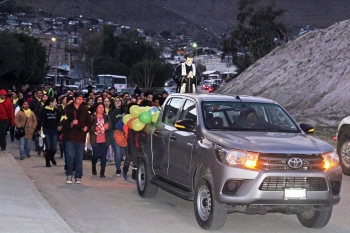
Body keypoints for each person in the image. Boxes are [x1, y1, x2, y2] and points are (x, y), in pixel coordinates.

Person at [60, 92, 92, 184]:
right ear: (74, 98)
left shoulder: (84, 109)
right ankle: (69, 174)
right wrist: (71, 123)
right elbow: (62, 121)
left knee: (79, 157)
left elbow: (89, 121)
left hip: (80, 136)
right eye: (78, 99)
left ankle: (78, 176)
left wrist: (86, 127)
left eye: (82, 99)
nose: (80, 101)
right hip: (70, 136)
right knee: (70, 156)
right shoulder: (68, 108)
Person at [90, 103, 111, 178]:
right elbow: (89, 127)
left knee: (103, 156)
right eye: (99, 107)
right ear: (96, 108)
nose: (101, 109)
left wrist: (107, 127)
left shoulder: (106, 117)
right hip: (95, 139)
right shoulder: (92, 117)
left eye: (102, 107)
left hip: (105, 140)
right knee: (96, 155)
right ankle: (93, 165)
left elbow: (110, 126)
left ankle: (102, 171)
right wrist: (95, 128)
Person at [38, 97, 60, 167]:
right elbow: (40, 120)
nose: (56, 103)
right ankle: (47, 161)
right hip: (46, 130)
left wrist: (59, 126)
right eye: (54, 101)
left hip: (54, 130)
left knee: (54, 147)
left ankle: (51, 157)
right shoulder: (44, 110)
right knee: (48, 147)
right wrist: (38, 129)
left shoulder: (57, 111)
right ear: (50, 102)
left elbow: (59, 120)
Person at [108, 97, 124, 175]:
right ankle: (118, 168)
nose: (117, 102)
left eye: (119, 101)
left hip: (124, 134)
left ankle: (121, 165)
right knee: (117, 152)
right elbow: (113, 121)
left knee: (122, 153)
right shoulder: (111, 112)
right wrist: (116, 110)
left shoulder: (125, 110)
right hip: (114, 133)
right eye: (116, 101)